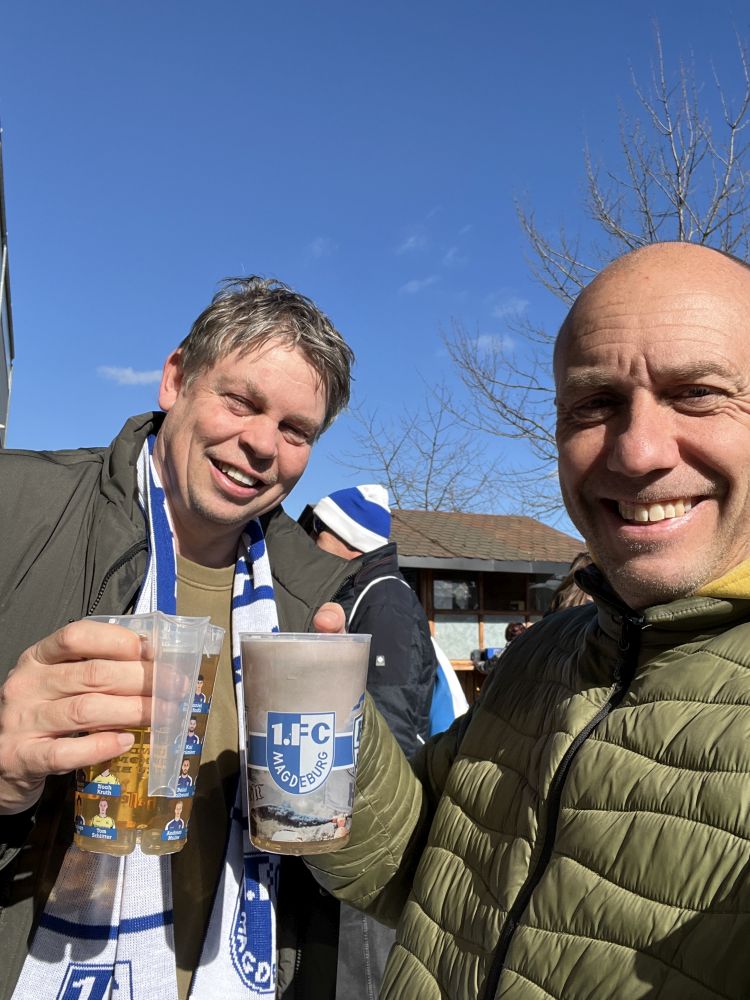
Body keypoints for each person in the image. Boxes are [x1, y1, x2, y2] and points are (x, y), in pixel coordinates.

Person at [305, 243, 750, 999]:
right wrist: (329, 724)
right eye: (594, 403)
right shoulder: (542, 656)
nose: (638, 452)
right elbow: (414, 867)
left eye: (698, 394)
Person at [0, 276, 360, 1000]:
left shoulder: (312, 601)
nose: (262, 443)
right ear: (175, 380)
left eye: (296, 430)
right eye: (242, 401)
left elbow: (327, 842)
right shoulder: (17, 511)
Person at [301, 484, 437, 1000]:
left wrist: (366, 806)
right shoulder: (364, 591)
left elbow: (392, 709)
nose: (311, 542)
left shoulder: (384, 598)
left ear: (344, 537)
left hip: (372, 803)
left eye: (318, 531)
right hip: (350, 794)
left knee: (363, 952)